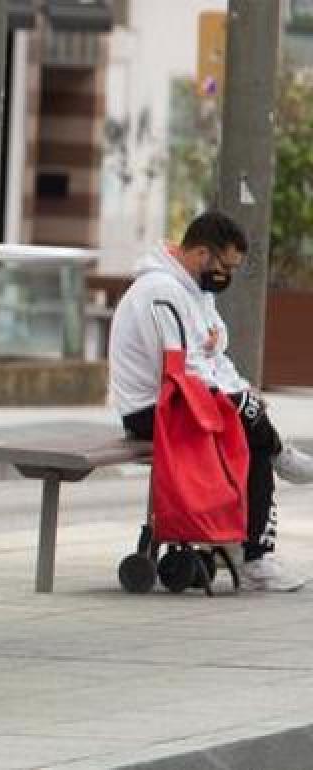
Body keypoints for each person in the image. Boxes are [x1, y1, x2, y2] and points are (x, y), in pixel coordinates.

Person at [108, 210, 313, 592]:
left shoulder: (196, 293)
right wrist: (235, 402)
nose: (227, 277)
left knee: (250, 420)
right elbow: (180, 370)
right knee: (249, 426)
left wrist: (241, 389)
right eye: (226, 267)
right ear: (202, 254)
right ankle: (255, 550)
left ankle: (250, 547)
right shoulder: (159, 292)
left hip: (183, 401)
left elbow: (213, 357)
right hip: (152, 409)